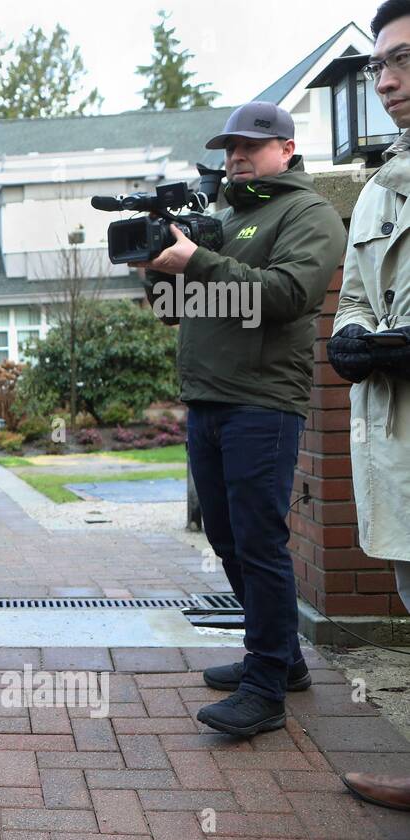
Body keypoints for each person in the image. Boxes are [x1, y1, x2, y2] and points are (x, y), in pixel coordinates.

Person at [138, 102, 346, 738]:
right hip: (208, 399)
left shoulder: (304, 212)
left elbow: (287, 295)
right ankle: (281, 660)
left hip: (263, 401)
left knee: (259, 541)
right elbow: (184, 306)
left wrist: (196, 261)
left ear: (286, 148)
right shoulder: (226, 216)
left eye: (251, 145)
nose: (237, 155)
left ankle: (266, 688)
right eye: (230, 146)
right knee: (227, 539)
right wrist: (158, 270)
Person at [324, 0, 410, 812]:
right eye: (380, 64)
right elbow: (354, 293)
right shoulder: (386, 184)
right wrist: (356, 336)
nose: (386, 81)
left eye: (405, 60)